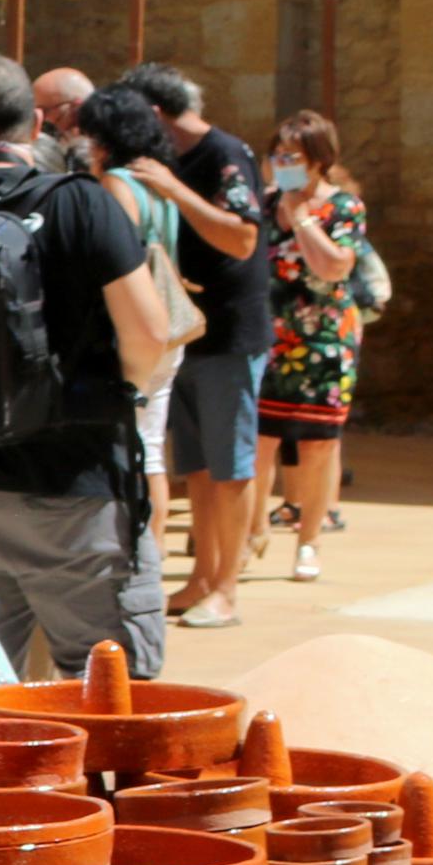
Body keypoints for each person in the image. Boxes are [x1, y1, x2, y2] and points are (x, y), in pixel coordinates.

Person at [0, 54, 183, 676]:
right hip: (77, 486)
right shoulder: (83, 203)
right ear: (36, 124)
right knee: (107, 692)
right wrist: (121, 398)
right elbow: (149, 331)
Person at [115, 62, 270, 629]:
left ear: (155, 112)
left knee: (231, 467)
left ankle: (227, 588)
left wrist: (172, 188)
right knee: (199, 469)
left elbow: (243, 237)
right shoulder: (169, 160)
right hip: (187, 333)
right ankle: (202, 577)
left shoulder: (226, 154)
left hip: (231, 332)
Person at [70, 71, 184, 548]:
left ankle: (138, 550)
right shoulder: (158, 182)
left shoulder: (117, 184)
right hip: (167, 328)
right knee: (151, 447)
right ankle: (150, 554)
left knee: (133, 447)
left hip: (131, 328)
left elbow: (114, 259)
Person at [258, 109, 371, 582]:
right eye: (278, 154)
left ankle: (309, 541)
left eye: (294, 156)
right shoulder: (262, 206)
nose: (283, 163)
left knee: (319, 446)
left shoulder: (343, 208)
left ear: (319, 160)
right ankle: (249, 533)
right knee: (260, 443)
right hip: (269, 338)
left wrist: (302, 222)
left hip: (324, 339)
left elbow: (334, 268)